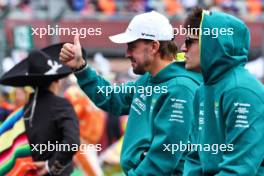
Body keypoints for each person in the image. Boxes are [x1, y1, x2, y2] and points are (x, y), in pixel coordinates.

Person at [60, 11, 202, 175]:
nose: (127, 53)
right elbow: (113, 98)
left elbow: (163, 158)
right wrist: (80, 67)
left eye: (132, 46)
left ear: (154, 46)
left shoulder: (180, 89)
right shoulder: (149, 78)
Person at [180, 8, 264, 175]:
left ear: (214, 43)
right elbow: (194, 157)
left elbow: (240, 169)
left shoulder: (242, 91)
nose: (182, 48)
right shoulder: (202, 90)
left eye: (189, 41)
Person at [0, 43, 80, 176]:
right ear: (56, 81)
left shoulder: (24, 111)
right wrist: (51, 166)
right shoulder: (61, 105)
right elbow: (72, 142)